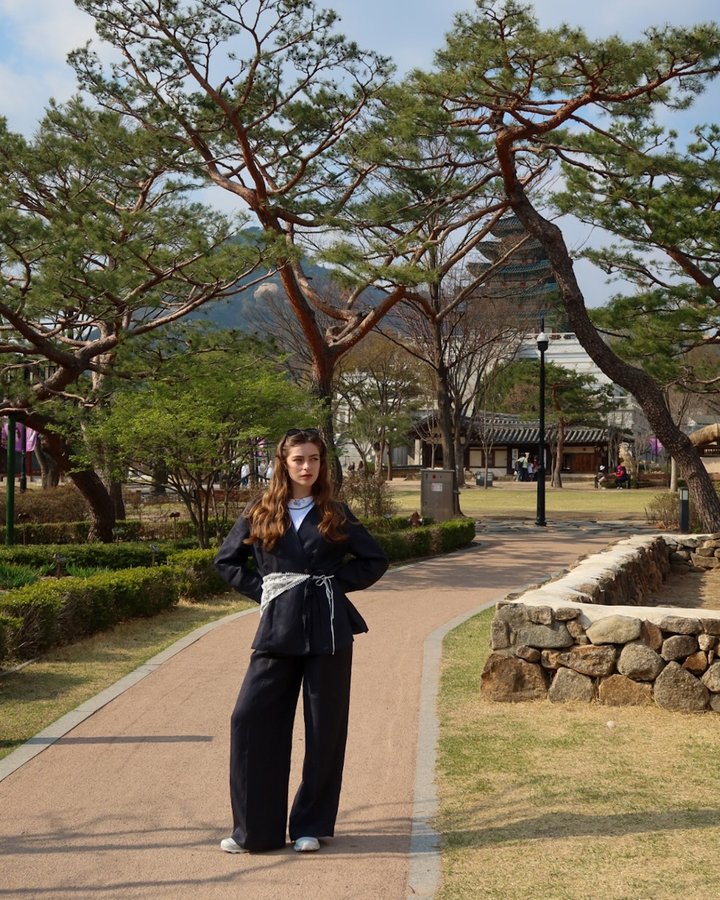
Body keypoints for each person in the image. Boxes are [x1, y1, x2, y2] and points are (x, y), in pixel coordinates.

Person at [214, 428, 389, 855]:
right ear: (284, 463)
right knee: (249, 719)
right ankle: (254, 831)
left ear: (321, 464)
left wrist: (329, 584)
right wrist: (269, 590)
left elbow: (374, 560)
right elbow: (226, 560)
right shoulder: (260, 511)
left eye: (313, 459)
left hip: (329, 631)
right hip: (277, 629)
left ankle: (311, 824)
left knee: (323, 728)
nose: (306, 467)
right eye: (298, 459)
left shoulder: (335, 511)